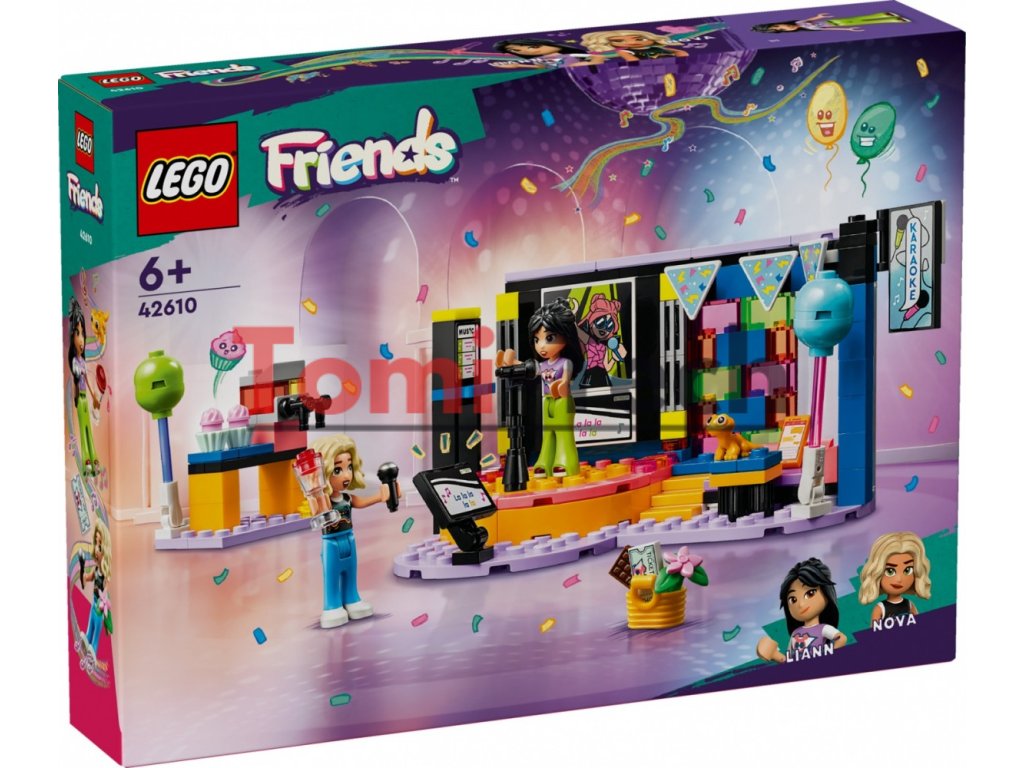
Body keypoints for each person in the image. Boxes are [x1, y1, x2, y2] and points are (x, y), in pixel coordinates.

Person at [307, 434, 399, 629]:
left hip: (350, 539)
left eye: (349, 467)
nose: (346, 475)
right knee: (331, 577)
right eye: (338, 469)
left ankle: (352, 599)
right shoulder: (324, 500)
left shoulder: (347, 498)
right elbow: (319, 511)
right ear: (323, 471)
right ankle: (332, 606)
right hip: (331, 543)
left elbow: (363, 502)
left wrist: (383, 495)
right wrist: (316, 490)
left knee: (350, 572)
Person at [497, 298, 584, 477]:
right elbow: (527, 368)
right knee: (548, 434)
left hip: (562, 402)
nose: (542, 346)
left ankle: (565, 460)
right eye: (537, 340)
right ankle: (545, 461)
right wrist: (510, 364)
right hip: (547, 401)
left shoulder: (565, 362)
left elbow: (565, 381)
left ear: (566, 335)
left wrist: (561, 386)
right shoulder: (543, 365)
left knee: (563, 433)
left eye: (549, 338)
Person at [756, 558, 847, 663]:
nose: (801, 604)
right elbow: (789, 659)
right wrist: (775, 655)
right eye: (793, 599)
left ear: (826, 593)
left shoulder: (824, 629)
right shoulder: (795, 633)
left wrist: (830, 658)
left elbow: (841, 638)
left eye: (810, 593)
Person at [858, 531, 932, 622]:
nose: (899, 579)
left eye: (907, 570)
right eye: (890, 571)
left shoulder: (909, 605)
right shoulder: (880, 608)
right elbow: (874, 630)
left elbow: (920, 625)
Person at [68, 297, 101, 476]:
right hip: (79, 400)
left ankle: (94, 459)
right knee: (83, 428)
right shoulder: (74, 361)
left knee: (88, 427)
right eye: (77, 333)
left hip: (85, 398)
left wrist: (94, 396)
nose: (81, 339)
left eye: (82, 334)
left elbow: (86, 380)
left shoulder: (82, 360)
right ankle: (87, 461)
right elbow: (76, 380)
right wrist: (75, 399)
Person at [752, 11, 910, 34]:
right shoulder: (805, 28)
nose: (789, 28)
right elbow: (827, 30)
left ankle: (885, 15)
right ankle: (892, 19)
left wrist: (818, 15)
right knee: (864, 22)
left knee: (861, 18)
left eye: (786, 26)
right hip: (834, 24)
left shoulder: (800, 23)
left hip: (834, 21)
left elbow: (811, 19)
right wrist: (848, 30)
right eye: (786, 29)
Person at [579, 30, 689, 62]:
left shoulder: (657, 47)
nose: (632, 43)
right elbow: (633, 61)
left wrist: (680, 55)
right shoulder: (626, 51)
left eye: (639, 39)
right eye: (619, 41)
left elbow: (680, 52)